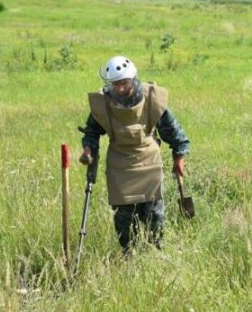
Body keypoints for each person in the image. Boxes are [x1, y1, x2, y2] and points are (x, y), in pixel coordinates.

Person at [78, 55, 190, 255]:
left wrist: (179, 156)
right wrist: (88, 150)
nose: (120, 89)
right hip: (119, 165)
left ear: (133, 78)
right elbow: (92, 132)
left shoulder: (152, 98)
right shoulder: (103, 103)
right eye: (115, 85)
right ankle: (129, 255)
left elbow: (173, 132)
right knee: (124, 216)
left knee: (153, 213)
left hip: (149, 162)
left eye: (124, 83)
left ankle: (155, 253)